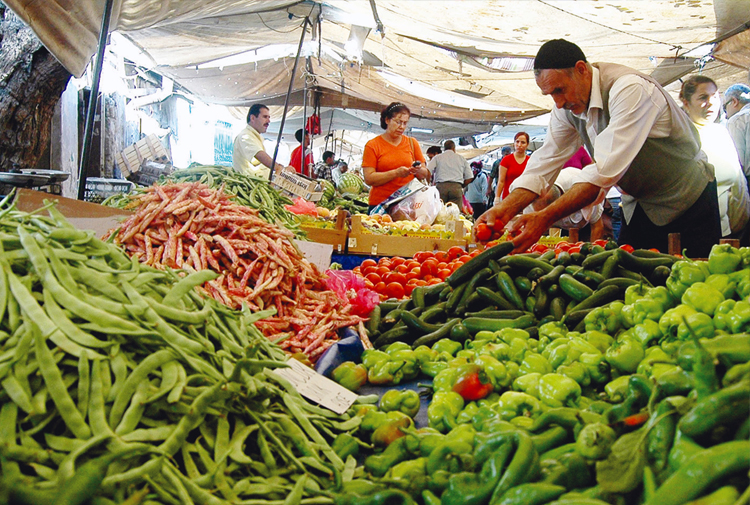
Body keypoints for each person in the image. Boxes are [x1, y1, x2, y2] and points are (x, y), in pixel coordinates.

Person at [477, 39, 721, 258]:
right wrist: (504, 209)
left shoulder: (629, 89)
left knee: (695, 282)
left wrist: (544, 218)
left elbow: (600, 175)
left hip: (688, 200)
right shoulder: (566, 108)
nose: (558, 102)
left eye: (559, 90)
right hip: (639, 205)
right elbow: (543, 163)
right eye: (550, 94)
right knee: (631, 283)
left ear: (582, 70)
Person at [679, 76, 750, 239]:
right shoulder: (681, 137)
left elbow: (738, 182)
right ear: (686, 102)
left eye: (715, 96)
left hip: (730, 232)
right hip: (696, 234)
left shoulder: (721, 133)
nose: (711, 103)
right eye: (703, 97)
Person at [362, 102, 429, 210]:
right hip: (380, 205)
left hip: (408, 205)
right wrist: (396, 173)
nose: (401, 127)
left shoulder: (412, 143)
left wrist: (418, 170)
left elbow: (424, 173)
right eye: (398, 122)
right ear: (387, 120)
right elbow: (369, 178)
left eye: (405, 123)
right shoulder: (373, 145)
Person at [527, 167, 606, 241]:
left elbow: (597, 226)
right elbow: (529, 230)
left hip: (585, 225)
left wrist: (593, 251)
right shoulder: (531, 198)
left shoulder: (585, 191)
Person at [233, 103, 288, 178]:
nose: (268, 121)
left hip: (260, 185)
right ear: (252, 118)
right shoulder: (245, 136)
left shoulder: (255, 137)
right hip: (249, 187)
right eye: (265, 117)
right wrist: (280, 169)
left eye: (269, 117)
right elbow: (260, 155)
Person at [427, 140, 474, 207]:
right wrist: (461, 185)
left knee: (440, 211)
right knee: (455, 212)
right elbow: (470, 177)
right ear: (454, 148)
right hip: (456, 188)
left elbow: (427, 170)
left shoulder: (437, 157)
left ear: (444, 148)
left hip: (441, 187)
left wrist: (428, 183)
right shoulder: (461, 158)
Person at [494, 132, 531, 205]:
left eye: (523, 142)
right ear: (514, 143)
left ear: (527, 144)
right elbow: (501, 181)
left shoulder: (530, 161)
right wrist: (497, 197)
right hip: (508, 198)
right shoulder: (506, 160)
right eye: (517, 142)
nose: (519, 145)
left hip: (525, 199)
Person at [724, 83, 750, 178]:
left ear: (734, 101)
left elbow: (738, 163)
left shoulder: (736, 121)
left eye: (724, 107)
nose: (725, 115)